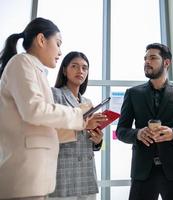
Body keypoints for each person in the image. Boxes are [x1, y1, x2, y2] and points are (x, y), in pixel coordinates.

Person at [0, 18, 99, 199]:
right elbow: (34, 110)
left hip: (39, 178)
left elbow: (46, 128)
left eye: (85, 68)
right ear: (41, 40)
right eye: (58, 44)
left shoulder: (36, 71)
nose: (60, 51)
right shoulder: (22, 63)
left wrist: (86, 127)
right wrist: (79, 115)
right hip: (26, 176)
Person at [116, 43, 173, 200]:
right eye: (145, 58)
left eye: (153, 58)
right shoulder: (133, 93)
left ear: (166, 62)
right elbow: (121, 131)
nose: (147, 61)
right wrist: (137, 134)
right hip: (142, 171)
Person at [49, 51, 106, 200]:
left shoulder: (87, 102)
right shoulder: (54, 95)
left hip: (86, 173)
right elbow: (50, 132)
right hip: (63, 172)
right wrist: (84, 125)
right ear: (64, 70)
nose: (80, 71)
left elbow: (88, 140)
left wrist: (98, 141)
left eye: (84, 68)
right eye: (74, 66)